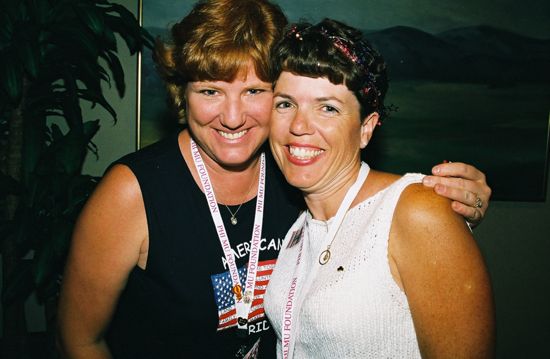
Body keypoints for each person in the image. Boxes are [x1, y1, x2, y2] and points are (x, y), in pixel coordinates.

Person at [57, 1, 492, 358]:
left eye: (254, 92)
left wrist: (448, 205)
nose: (231, 117)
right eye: (210, 91)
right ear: (181, 94)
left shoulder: (295, 175)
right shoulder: (133, 191)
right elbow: (79, 339)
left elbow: (376, 213)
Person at [264, 18, 495, 358]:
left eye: (327, 108)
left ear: (366, 129)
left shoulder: (416, 209)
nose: (299, 125)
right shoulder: (297, 230)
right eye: (285, 104)